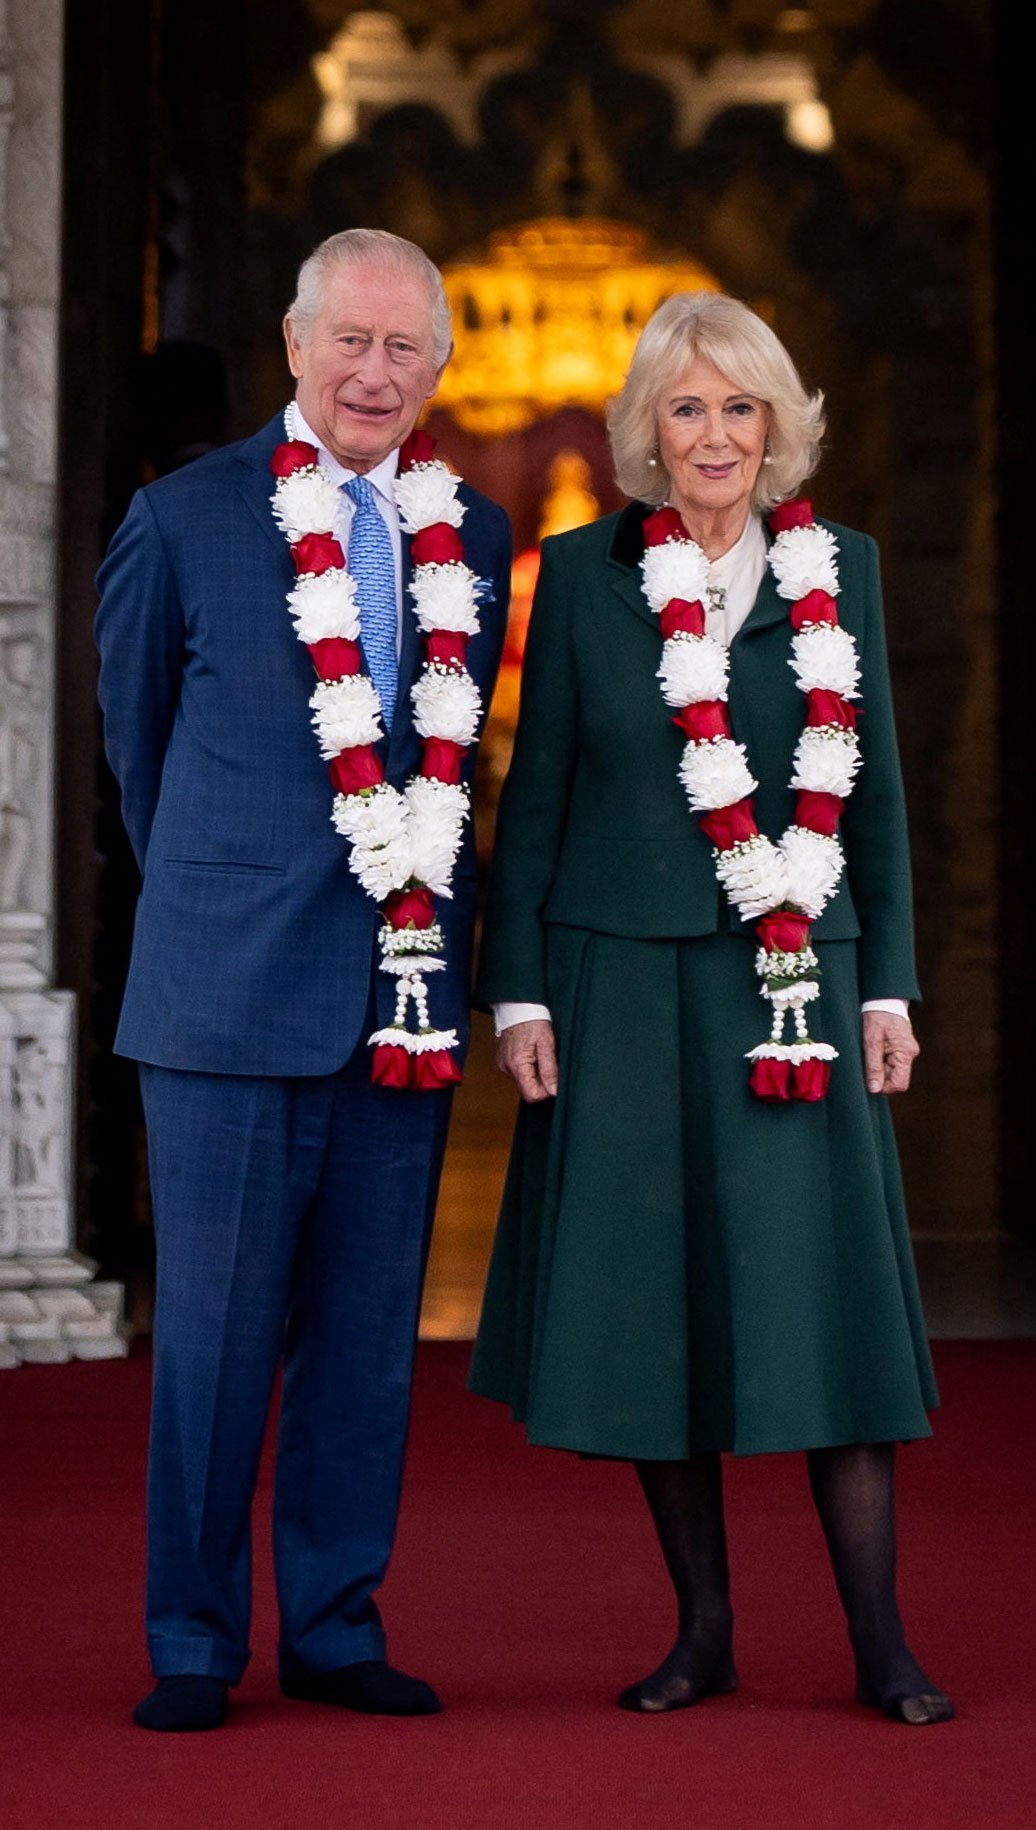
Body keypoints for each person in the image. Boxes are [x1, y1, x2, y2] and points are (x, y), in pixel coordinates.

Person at [470, 291, 953, 1726]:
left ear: (777, 423)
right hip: (616, 975)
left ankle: (882, 1643)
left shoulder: (841, 569)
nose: (714, 433)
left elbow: (870, 793)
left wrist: (889, 979)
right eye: (685, 407)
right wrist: (516, 991)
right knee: (650, 1311)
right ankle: (703, 1634)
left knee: (826, 1305)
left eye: (738, 405)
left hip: (795, 977)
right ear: (645, 433)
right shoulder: (579, 575)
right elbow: (535, 788)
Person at [96, 229, 510, 1732]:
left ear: (440, 365)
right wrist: (232, 906)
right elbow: (137, 760)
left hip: (398, 998)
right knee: (208, 1342)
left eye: (406, 348)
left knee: (362, 1347)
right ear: (292, 344)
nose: (375, 372)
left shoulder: (474, 527)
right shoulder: (182, 517)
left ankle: (336, 1623)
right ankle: (194, 1639)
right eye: (351, 340)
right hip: (223, 1004)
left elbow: (463, 767)